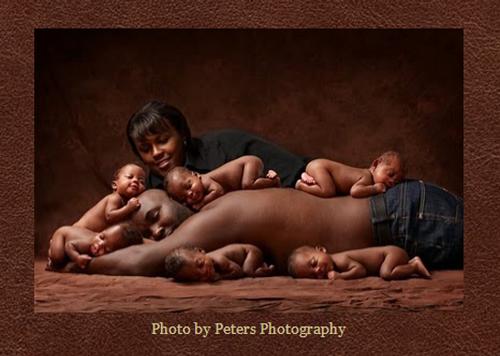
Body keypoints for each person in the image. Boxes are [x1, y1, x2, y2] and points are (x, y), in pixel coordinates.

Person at [79, 179, 462, 277]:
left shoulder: (216, 214)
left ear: (168, 193)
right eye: (149, 232)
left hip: (407, 219)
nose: (159, 232)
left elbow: (141, 261)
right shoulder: (221, 212)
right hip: (405, 215)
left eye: (153, 216)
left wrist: (77, 256)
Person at [126, 100, 310, 189]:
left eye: (162, 140)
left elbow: (294, 171)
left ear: (182, 133)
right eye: (145, 149)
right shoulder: (147, 191)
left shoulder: (227, 145)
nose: (156, 152)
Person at [164, 155, 280, 210]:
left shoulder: (205, 180)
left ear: (196, 175)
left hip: (248, 163)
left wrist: (202, 203)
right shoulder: (200, 187)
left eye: (189, 186)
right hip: (245, 170)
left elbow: (218, 191)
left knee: (247, 185)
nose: (190, 194)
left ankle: (273, 181)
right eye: (184, 198)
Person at [295, 151, 405, 198]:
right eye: (390, 174)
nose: (392, 181)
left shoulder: (363, 174)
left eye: (397, 181)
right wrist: (375, 189)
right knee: (328, 191)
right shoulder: (366, 177)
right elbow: (355, 191)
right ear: (375, 164)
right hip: (322, 168)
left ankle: (307, 176)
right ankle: (301, 185)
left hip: (317, 166)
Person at [287, 245, 431, 280]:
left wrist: (341, 277)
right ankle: (410, 264)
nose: (317, 271)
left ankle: (414, 266)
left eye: (314, 263)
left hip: (391, 254)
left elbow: (361, 270)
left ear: (321, 249)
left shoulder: (341, 260)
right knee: (385, 271)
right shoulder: (336, 263)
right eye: (313, 276)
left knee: (386, 273)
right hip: (391, 257)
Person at [73, 163, 146, 232]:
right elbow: (109, 217)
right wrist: (128, 208)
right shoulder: (115, 198)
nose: (135, 180)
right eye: (130, 177)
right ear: (115, 185)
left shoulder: (128, 203)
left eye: (141, 181)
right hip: (79, 230)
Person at [47, 224, 143, 270]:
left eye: (106, 249)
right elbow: (70, 245)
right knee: (58, 257)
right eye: (101, 237)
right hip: (63, 235)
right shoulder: (88, 244)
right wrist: (77, 258)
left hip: (72, 242)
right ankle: (52, 248)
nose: (99, 244)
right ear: (101, 231)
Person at [164, 244, 275, 282]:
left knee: (248, 271)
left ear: (201, 251)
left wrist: (220, 277)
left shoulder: (219, 259)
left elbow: (238, 271)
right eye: (198, 277)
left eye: (200, 264)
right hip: (247, 255)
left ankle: (265, 270)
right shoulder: (208, 263)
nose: (203, 272)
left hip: (250, 252)